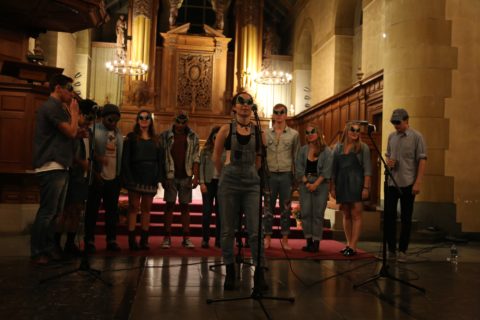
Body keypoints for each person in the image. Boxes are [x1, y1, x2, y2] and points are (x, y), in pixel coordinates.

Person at [213, 91, 267, 291]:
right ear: (234, 106)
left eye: (249, 102)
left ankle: (260, 271)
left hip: (252, 183)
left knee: (255, 230)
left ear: (252, 107)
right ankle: (230, 269)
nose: (245, 105)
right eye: (241, 101)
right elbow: (216, 157)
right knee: (227, 230)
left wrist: (253, 172)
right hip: (230, 182)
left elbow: (260, 157)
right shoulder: (226, 130)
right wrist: (225, 175)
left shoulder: (258, 131)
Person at [31, 74, 79, 266]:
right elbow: (70, 131)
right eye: (69, 88)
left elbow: (69, 134)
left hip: (60, 164)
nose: (72, 92)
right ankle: (37, 251)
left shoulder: (58, 108)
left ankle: (49, 249)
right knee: (48, 212)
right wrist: (74, 114)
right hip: (51, 164)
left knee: (55, 212)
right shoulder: (51, 107)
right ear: (58, 88)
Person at [54, 99, 96, 257]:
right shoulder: (71, 131)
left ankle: (70, 243)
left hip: (83, 178)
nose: (89, 122)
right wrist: (81, 162)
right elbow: (66, 152)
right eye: (88, 117)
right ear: (79, 114)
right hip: (71, 175)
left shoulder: (89, 132)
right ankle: (56, 244)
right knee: (65, 212)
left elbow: (89, 152)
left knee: (76, 211)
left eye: (92, 119)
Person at [385, 108, 427, 263]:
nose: (396, 126)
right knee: (389, 217)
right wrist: (389, 162)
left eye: (398, 123)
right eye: (394, 123)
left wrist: (418, 182)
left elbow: (422, 160)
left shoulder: (417, 137)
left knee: (406, 218)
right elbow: (388, 155)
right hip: (392, 182)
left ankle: (403, 250)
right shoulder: (391, 137)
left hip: (409, 183)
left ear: (407, 121)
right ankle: (391, 250)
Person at [84, 104, 124, 252]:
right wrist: (95, 172)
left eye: (116, 120)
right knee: (92, 210)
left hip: (113, 178)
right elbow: (89, 153)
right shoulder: (94, 130)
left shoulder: (118, 133)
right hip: (97, 177)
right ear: (102, 118)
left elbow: (120, 155)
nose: (113, 123)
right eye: (110, 120)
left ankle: (111, 239)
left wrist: (119, 176)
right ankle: (89, 240)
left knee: (112, 211)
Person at [122, 110, 164, 250]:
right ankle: (132, 240)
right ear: (137, 120)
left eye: (147, 118)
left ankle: (144, 239)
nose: (144, 120)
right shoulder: (131, 137)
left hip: (150, 176)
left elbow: (160, 160)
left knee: (146, 209)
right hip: (135, 175)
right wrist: (128, 177)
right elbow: (125, 159)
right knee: (133, 207)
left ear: (151, 121)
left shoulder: (156, 139)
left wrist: (158, 177)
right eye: (141, 117)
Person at [159, 110, 200, 249]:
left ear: (187, 122)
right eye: (178, 122)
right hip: (171, 175)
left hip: (186, 175)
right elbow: (162, 156)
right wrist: (163, 176)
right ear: (174, 120)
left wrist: (195, 177)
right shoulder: (165, 135)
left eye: (183, 122)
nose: (180, 125)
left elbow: (196, 157)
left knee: (185, 207)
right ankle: (166, 237)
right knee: (169, 206)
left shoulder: (193, 136)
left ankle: (186, 237)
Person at [331, 122, 372, 257]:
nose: (355, 133)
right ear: (347, 131)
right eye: (352, 130)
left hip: (356, 182)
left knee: (356, 214)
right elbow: (334, 169)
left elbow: (367, 170)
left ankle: (353, 246)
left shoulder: (363, 147)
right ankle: (348, 244)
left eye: (358, 131)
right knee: (346, 214)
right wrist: (333, 187)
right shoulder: (338, 147)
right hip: (341, 183)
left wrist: (366, 187)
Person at [263, 103, 300, 250]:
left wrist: (296, 177)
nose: (278, 115)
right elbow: (262, 156)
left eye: (281, 112)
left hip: (286, 175)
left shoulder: (294, 134)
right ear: (272, 115)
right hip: (270, 174)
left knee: (285, 208)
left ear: (286, 115)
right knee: (268, 208)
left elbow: (296, 156)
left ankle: (285, 239)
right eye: (276, 112)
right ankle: (267, 237)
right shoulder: (266, 133)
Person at [295, 124, 332, 253]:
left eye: (313, 131)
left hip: (321, 185)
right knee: (305, 213)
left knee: (317, 214)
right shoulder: (303, 150)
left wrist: (315, 184)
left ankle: (316, 242)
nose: (310, 134)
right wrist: (306, 183)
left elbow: (327, 171)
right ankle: (308, 241)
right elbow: (299, 168)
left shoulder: (326, 151)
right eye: (307, 132)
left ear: (319, 132)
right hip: (305, 184)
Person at [199, 126, 222, 248]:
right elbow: (201, 167)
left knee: (220, 213)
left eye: (219, 137)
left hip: (221, 184)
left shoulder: (225, 150)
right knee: (207, 212)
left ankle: (218, 240)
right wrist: (202, 183)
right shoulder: (205, 150)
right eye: (215, 137)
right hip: (208, 183)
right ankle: (205, 239)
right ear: (211, 137)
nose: (216, 139)